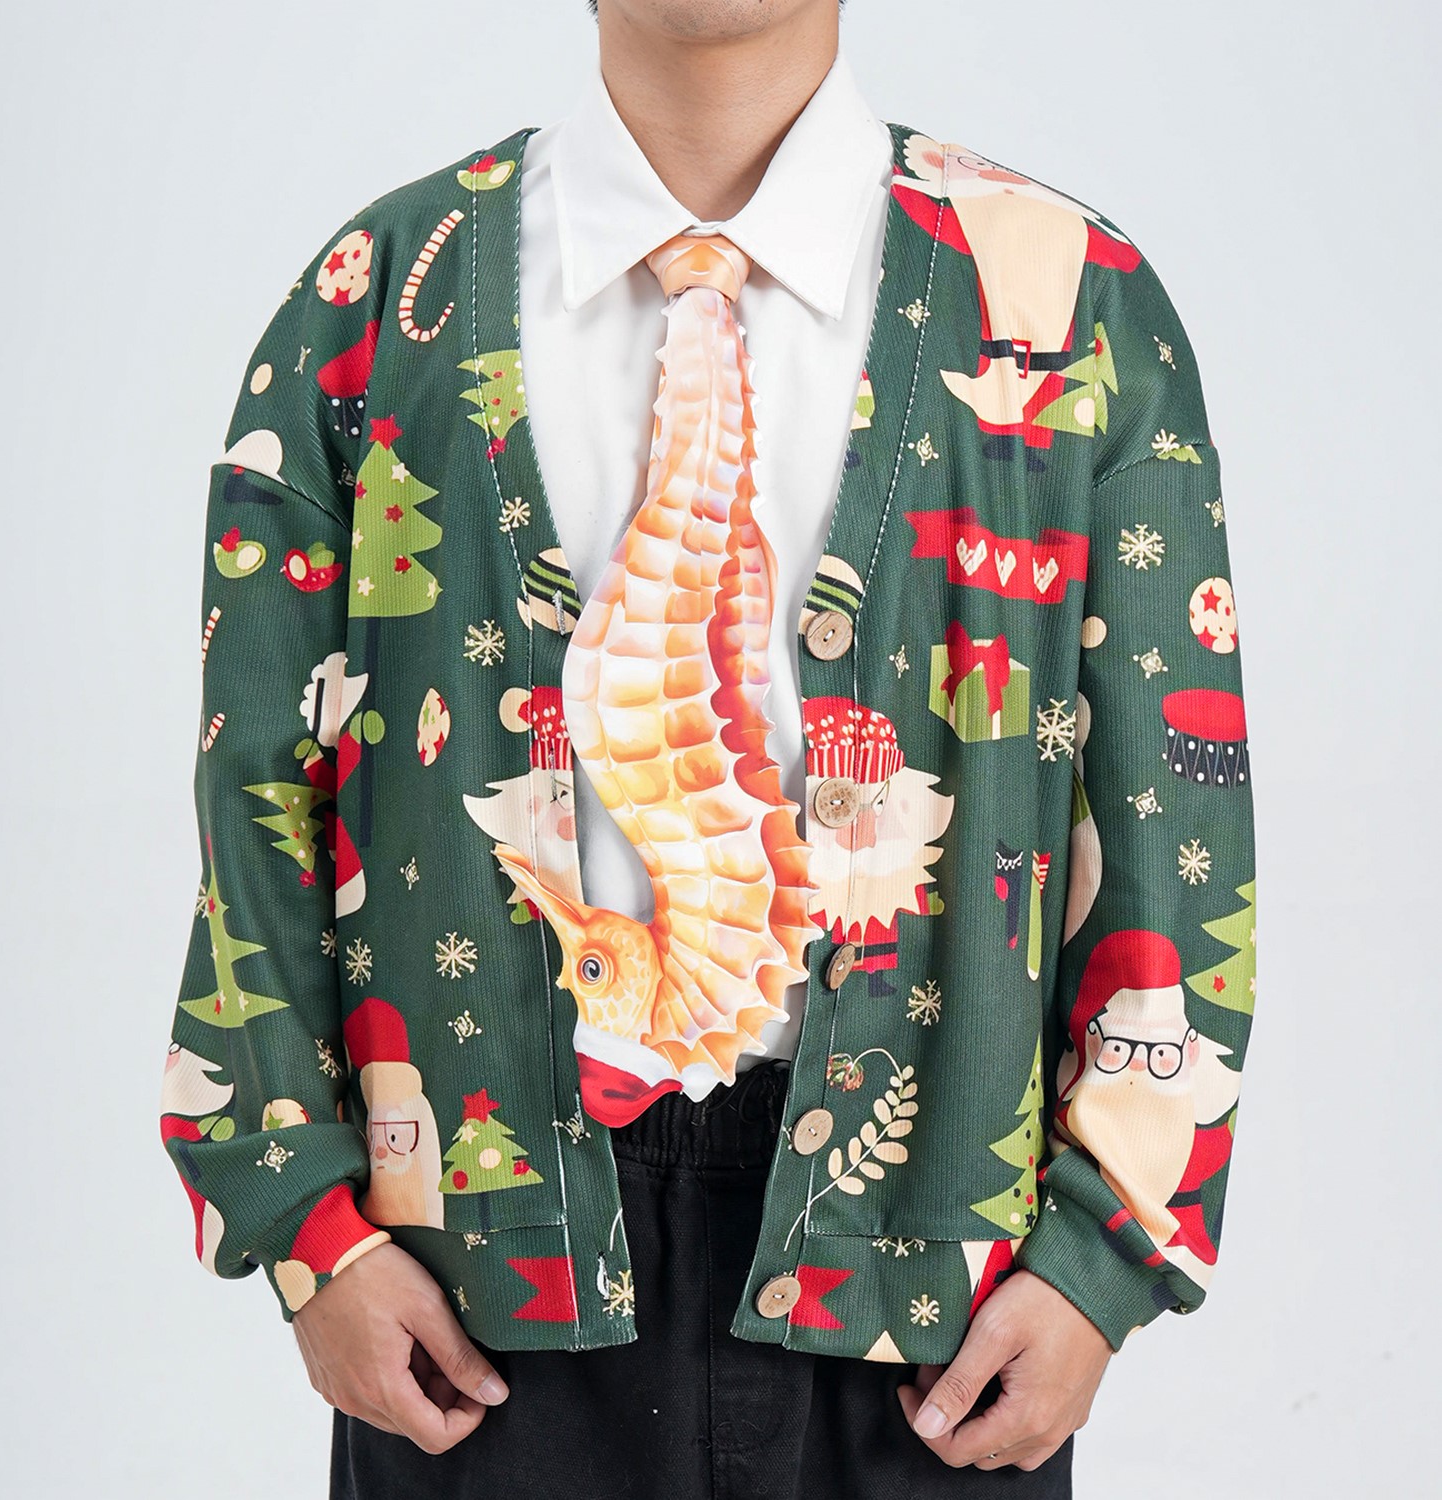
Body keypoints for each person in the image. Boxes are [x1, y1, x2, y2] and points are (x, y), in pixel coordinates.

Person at [158, 2, 1258, 1496]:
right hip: (473, 1283)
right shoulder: (375, 298)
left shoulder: (1072, 303)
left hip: (939, 1282)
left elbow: (1173, 805)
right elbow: (255, 793)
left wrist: (1102, 1254)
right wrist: (307, 1227)